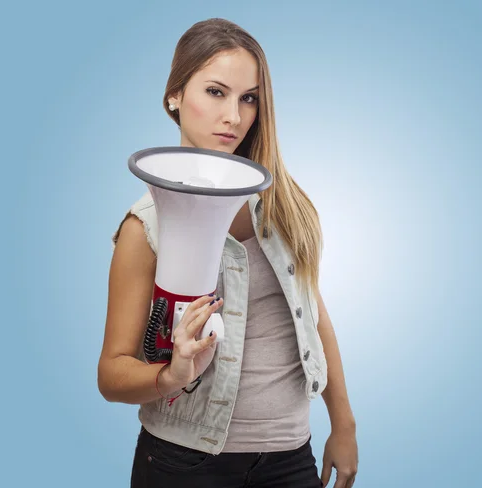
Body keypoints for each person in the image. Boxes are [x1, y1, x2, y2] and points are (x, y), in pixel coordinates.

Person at [98, 18, 358, 488]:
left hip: (289, 457)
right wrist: (170, 375)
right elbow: (111, 374)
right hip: (185, 464)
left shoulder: (284, 209)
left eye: (249, 98)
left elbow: (313, 315)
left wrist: (343, 425)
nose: (234, 116)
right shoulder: (144, 228)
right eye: (216, 92)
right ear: (174, 96)